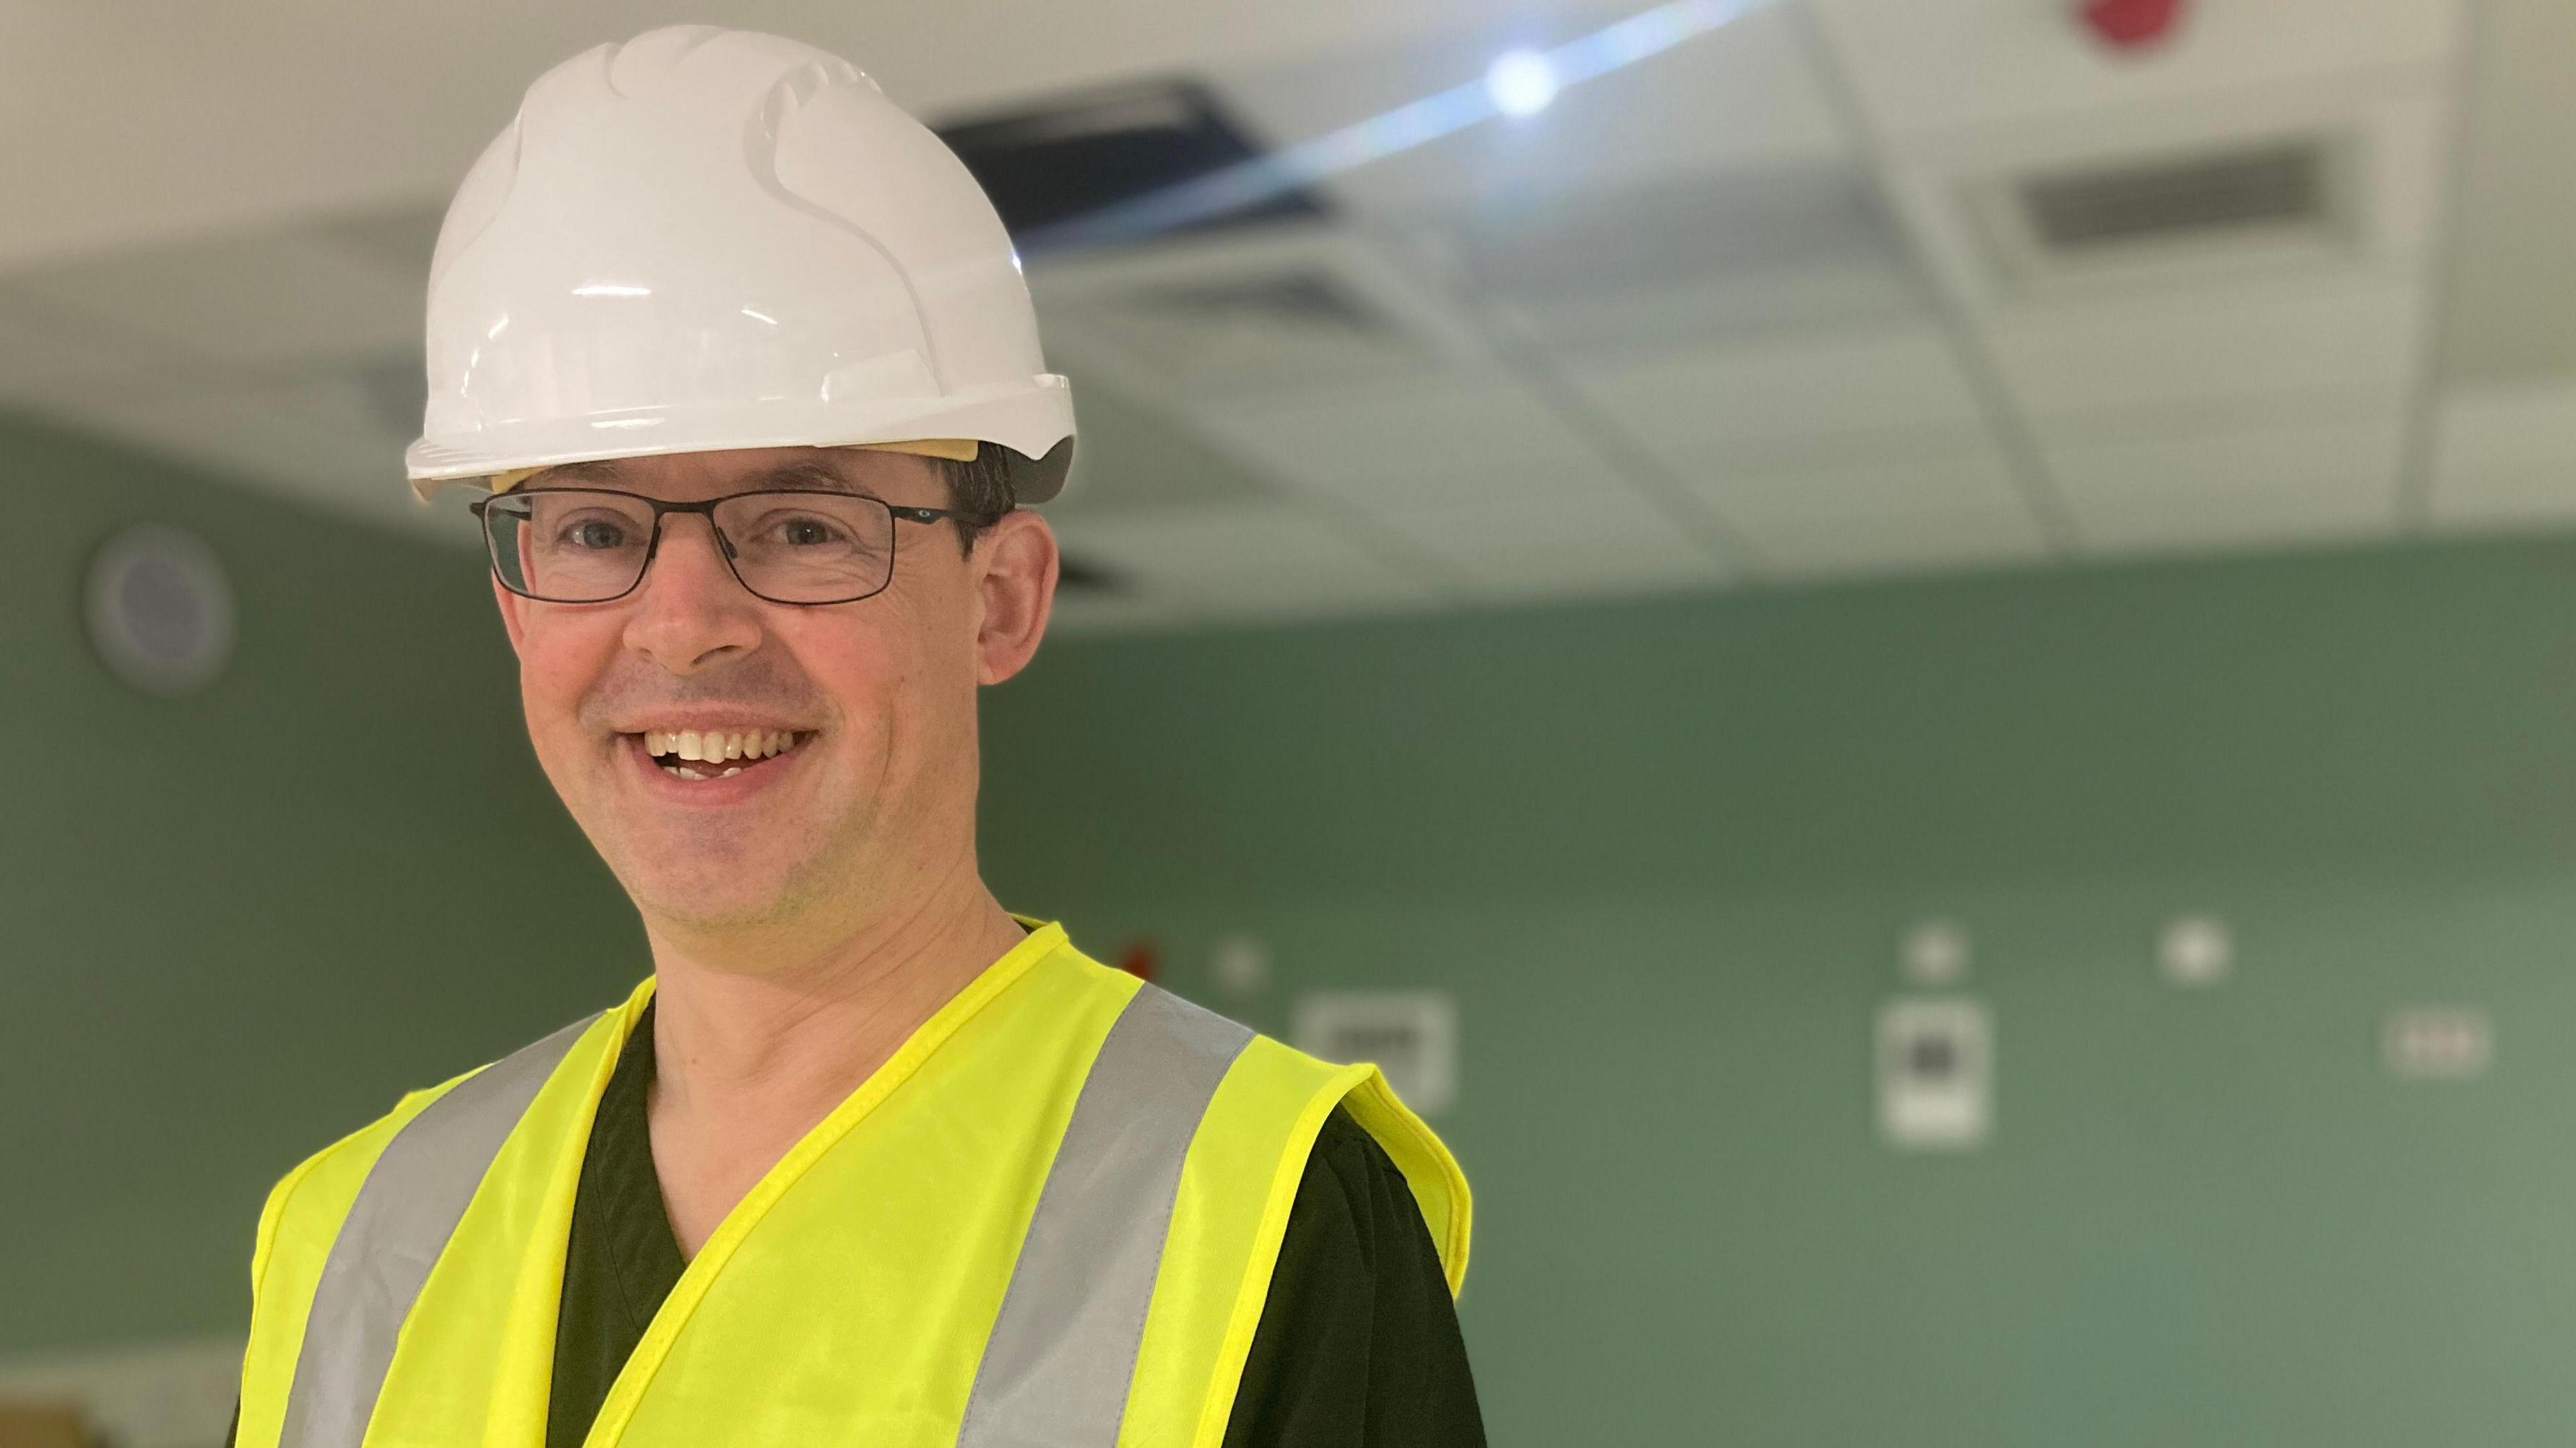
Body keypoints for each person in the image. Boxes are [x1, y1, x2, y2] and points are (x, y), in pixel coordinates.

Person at [223, 25, 1482, 1448]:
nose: (682, 624)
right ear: (519, 609)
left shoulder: (1260, 1212)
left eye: (804, 526)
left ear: (999, 600)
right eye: (589, 527)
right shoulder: (350, 1241)